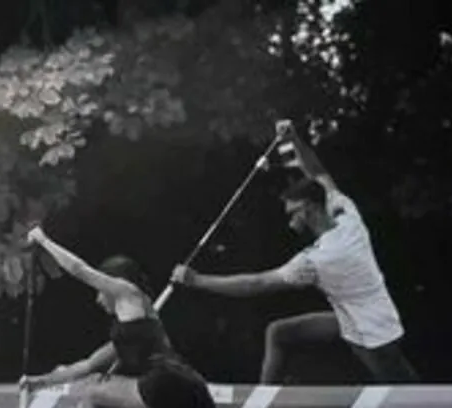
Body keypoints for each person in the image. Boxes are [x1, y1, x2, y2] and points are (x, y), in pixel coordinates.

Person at [171, 121, 419, 385]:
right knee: (279, 333)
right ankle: (262, 405)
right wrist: (294, 140)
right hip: (357, 314)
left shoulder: (317, 259)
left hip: (372, 331)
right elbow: (318, 173)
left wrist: (196, 280)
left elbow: (257, 283)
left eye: (292, 214)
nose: (290, 223)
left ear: (308, 209)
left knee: (404, 389)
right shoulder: (346, 214)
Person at [20, 226, 227, 408]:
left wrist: (44, 240)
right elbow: (85, 366)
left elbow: (79, 269)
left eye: (99, 290)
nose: (98, 299)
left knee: (92, 393)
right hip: (191, 383)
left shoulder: (128, 293)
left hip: (164, 383)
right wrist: (39, 382)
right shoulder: (135, 329)